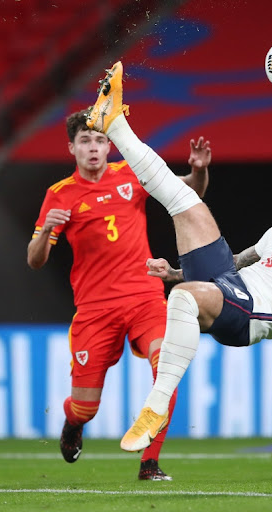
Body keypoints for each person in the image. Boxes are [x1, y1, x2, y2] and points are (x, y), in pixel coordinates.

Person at [80, 62, 272, 453]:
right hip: (232, 283)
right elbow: (241, 260)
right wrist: (175, 271)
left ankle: (155, 407)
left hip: (254, 315)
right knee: (183, 201)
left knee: (186, 297)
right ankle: (113, 123)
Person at [27, 108, 210, 480]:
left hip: (145, 297)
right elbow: (35, 260)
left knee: (167, 372)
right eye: (85, 141)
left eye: (99, 140)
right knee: (85, 407)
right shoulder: (59, 195)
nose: (93, 148)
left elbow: (185, 194)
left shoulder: (131, 174)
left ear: (109, 145)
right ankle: (73, 424)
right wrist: (46, 230)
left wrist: (200, 171)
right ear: (72, 147)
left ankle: (149, 463)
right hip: (95, 309)